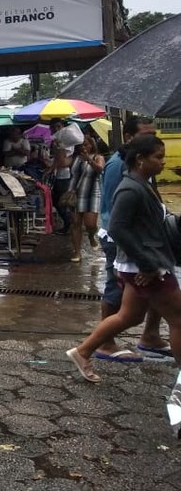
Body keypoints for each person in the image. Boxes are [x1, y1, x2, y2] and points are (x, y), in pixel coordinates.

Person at [66, 135, 181, 382]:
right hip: (147, 266)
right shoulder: (130, 188)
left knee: (129, 316)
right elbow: (118, 228)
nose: (163, 162)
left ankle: (82, 351)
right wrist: (147, 263)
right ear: (140, 160)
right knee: (178, 318)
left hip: (143, 264)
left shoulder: (142, 183)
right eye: (158, 157)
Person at [92, 116, 166, 361]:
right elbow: (117, 213)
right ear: (129, 137)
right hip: (121, 240)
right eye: (145, 134)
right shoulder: (119, 165)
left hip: (145, 238)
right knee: (116, 288)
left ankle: (151, 335)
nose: (151, 139)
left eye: (153, 134)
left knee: (160, 287)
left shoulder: (147, 160)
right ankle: (105, 343)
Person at [68, 136, 104, 263]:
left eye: (86, 144)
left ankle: (91, 235)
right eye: (81, 145)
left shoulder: (98, 157)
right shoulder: (76, 159)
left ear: (92, 145)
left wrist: (89, 159)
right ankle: (77, 251)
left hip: (92, 193)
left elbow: (100, 170)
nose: (84, 147)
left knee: (91, 224)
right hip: (75, 193)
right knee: (76, 223)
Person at [47, 118, 74, 234]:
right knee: (56, 200)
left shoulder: (66, 142)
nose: (56, 129)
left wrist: (59, 148)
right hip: (59, 175)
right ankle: (69, 223)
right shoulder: (57, 142)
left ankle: (70, 223)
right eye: (54, 128)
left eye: (58, 126)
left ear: (63, 127)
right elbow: (58, 161)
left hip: (66, 176)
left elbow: (63, 162)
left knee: (62, 201)